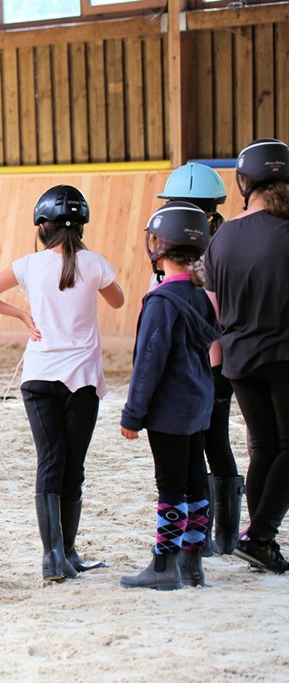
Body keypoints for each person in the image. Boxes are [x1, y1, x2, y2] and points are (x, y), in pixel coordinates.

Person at [0, 185, 124, 582]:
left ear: (42, 226)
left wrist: (22, 314)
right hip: (83, 381)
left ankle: (53, 555)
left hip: (39, 378)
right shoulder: (95, 263)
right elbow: (119, 301)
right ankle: (67, 551)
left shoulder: (28, 264)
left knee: (50, 461)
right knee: (74, 466)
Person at [120, 201, 219, 590]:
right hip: (199, 403)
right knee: (196, 480)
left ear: (160, 247)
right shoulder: (200, 296)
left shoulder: (162, 301)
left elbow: (149, 362)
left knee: (171, 485)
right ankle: (193, 563)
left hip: (169, 410)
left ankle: (164, 564)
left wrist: (133, 413)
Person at [205, 138, 289, 575]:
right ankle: (259, 535)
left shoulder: (222, 238)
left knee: (265, 445)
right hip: (283, 352)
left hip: (239, 357)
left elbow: (214, 307)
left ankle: (263, 543)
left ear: (244, 183)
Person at [157, 162, 243, 556]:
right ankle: (212, 534)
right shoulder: (207, 246)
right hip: (200, 362)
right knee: (205, 445)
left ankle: (217, 534)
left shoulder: (214, 250)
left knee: (210, 443)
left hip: (209, 362)